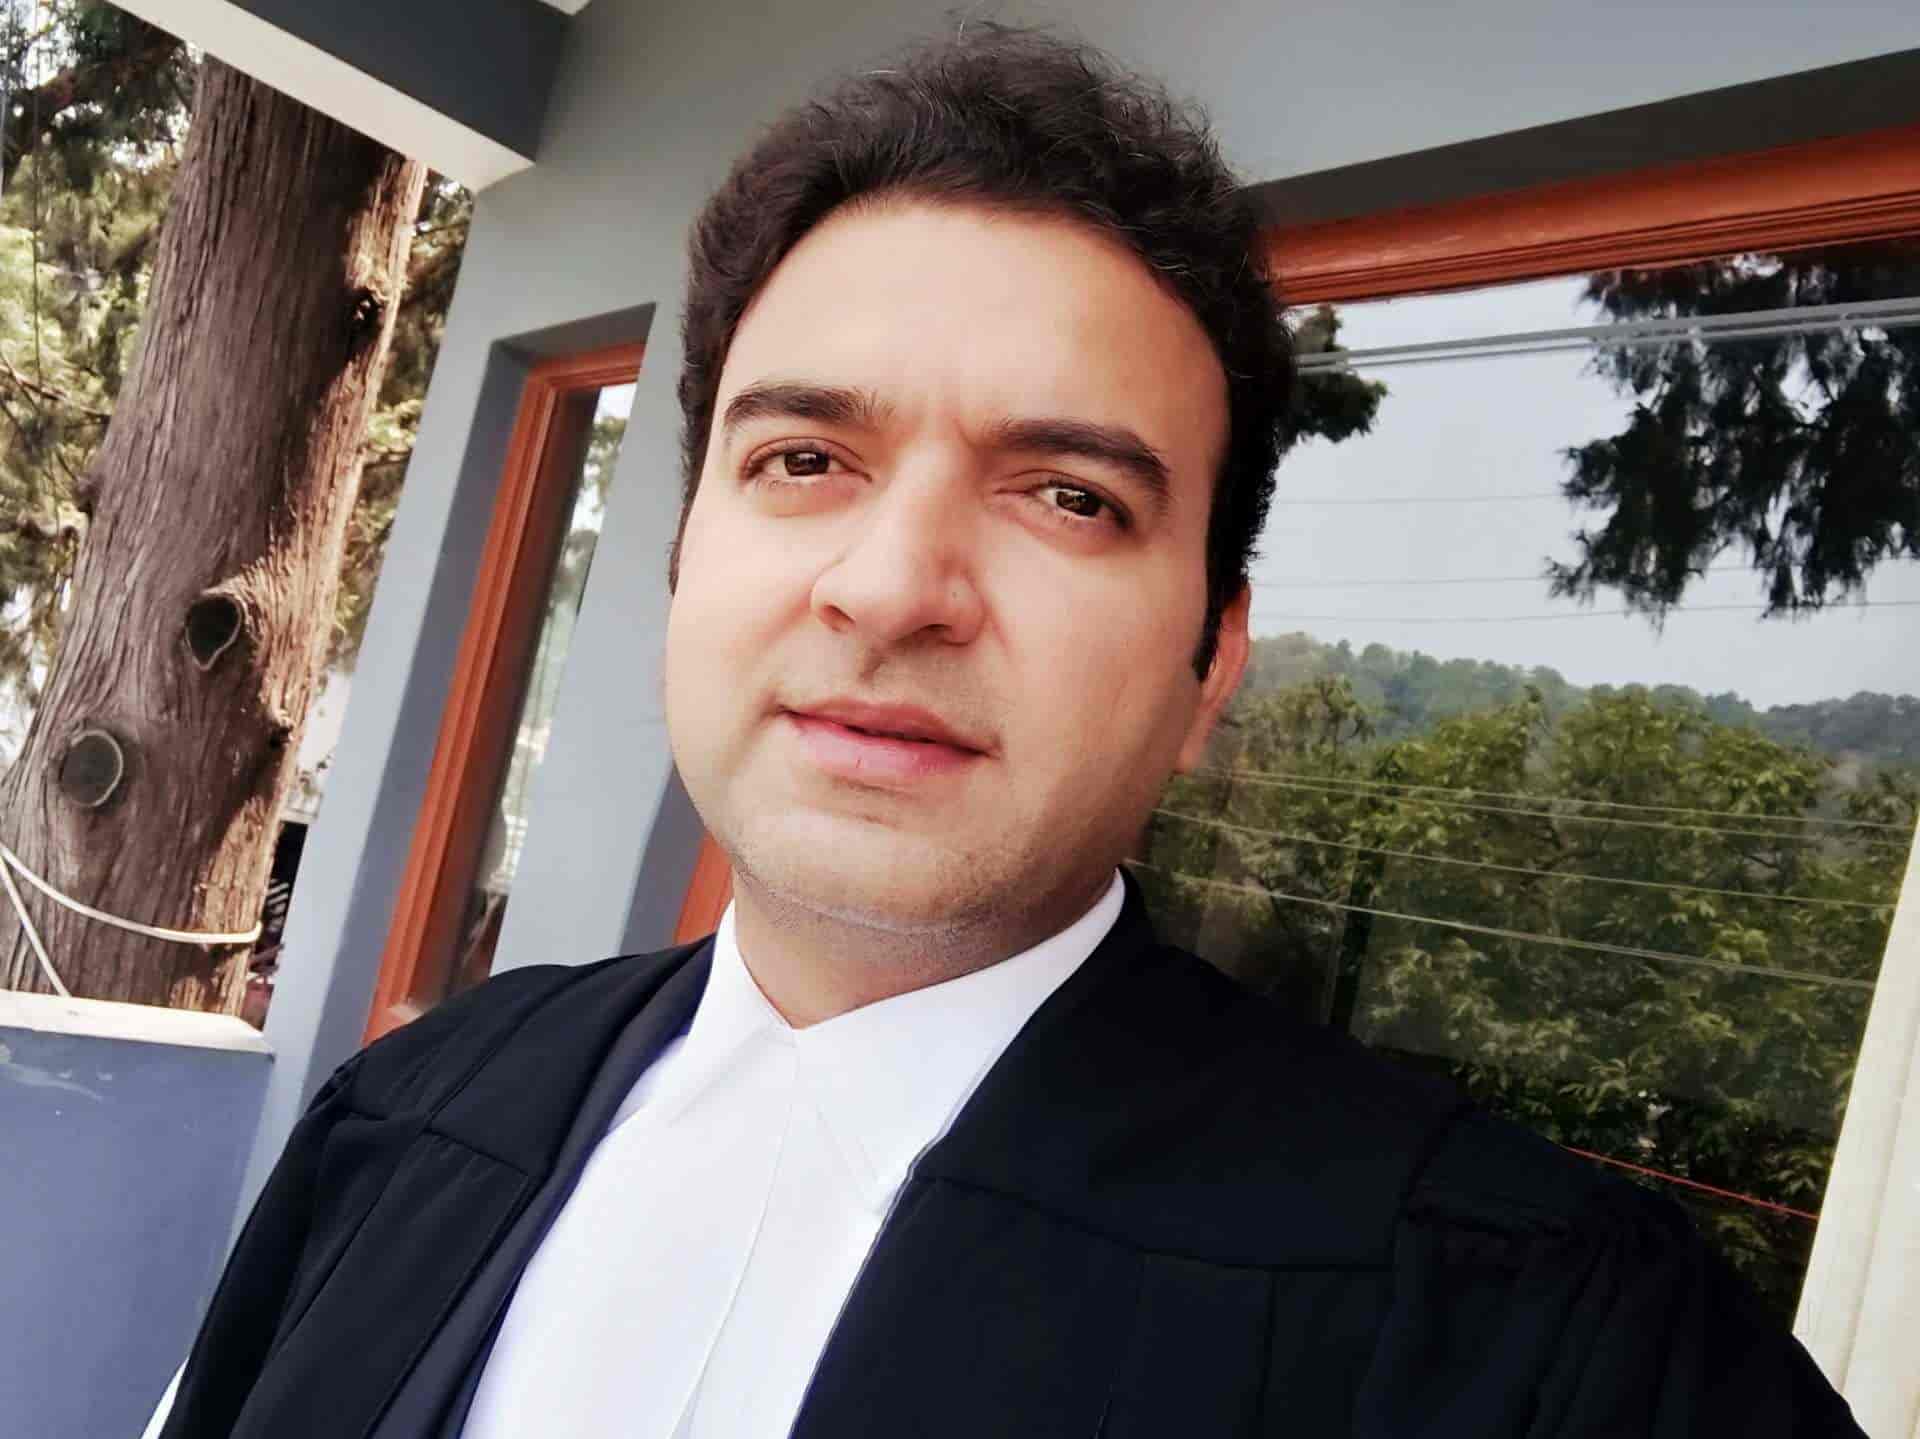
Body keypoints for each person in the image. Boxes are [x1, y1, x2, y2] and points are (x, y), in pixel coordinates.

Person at [148, 24, 1864, 1438]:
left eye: (1068, 495)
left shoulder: (1543, 1346)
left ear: (1209, 662)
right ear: (681, 562)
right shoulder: (406, 1119)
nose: (894, 589)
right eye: (803, 459)